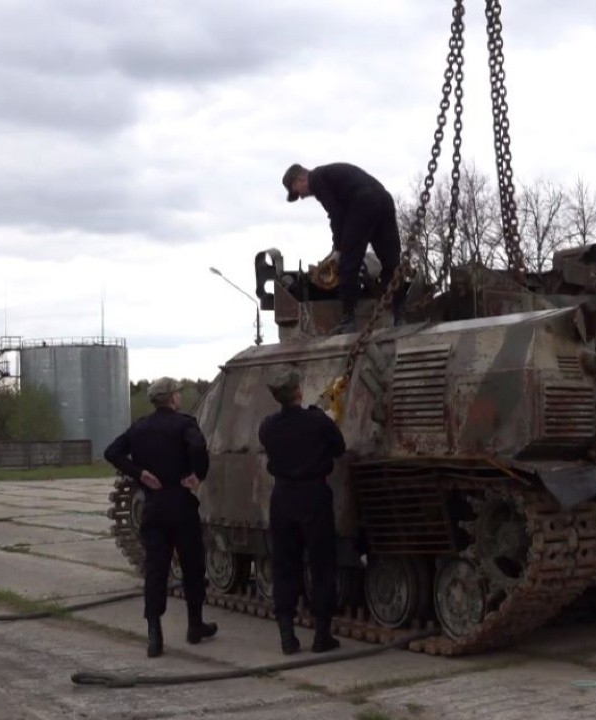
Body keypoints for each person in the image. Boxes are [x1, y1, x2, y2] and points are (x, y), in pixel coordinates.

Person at [104, 377, 217, 658]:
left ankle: (155, 637)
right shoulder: (185, 423)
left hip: (153, 506)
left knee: (156, 571)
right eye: (178, 392)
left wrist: (139, 473)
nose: (180, 396)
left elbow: (112, 452)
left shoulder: (140, 427)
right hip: (180, 502)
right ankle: (195, 626)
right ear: (172, 398)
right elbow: (198, 447)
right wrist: (197, 474)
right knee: (192, 567)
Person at [258, 366, 346, 654]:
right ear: (297, 391)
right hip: (314, 496)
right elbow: (339, 447)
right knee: (321, 564)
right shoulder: (316, 421)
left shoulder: (268, 426)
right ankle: (322, 635)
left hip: (283, 498)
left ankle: (287, 635)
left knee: (284, 565)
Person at [282, 162, 404, 334]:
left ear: (301, 178)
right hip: (383, 199)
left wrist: (338, 250)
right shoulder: (332, 175)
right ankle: (400, 315)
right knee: (391, 263)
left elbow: (336, 214)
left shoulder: (316, 178)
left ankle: (348, 320)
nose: (300, 196)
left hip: (363, 202)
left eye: (296, 191)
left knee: (348, 264)